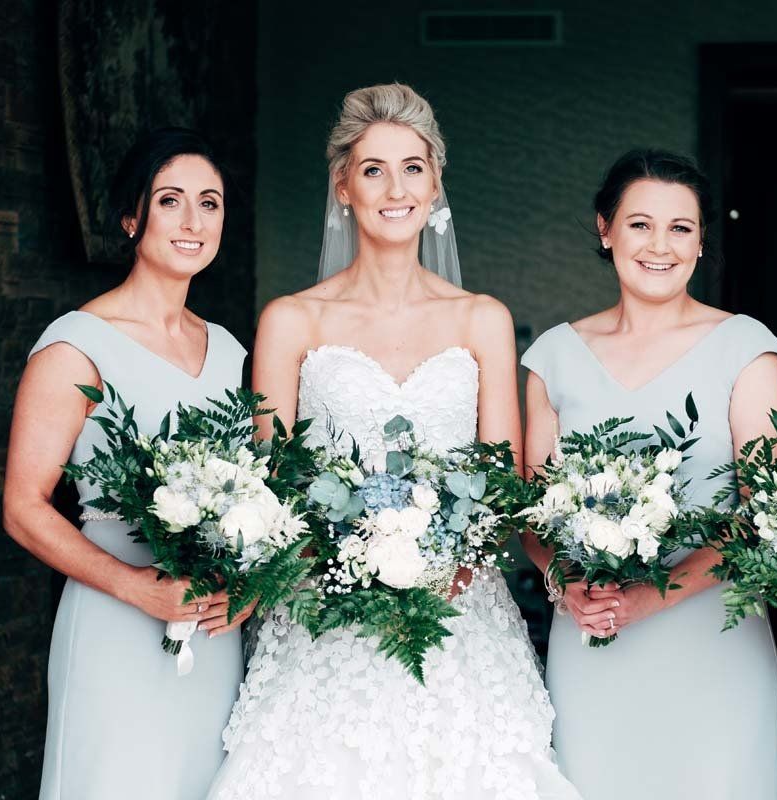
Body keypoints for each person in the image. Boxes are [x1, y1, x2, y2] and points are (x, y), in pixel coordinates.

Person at [206, 83, 580, 800]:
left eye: (413, 167)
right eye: (373, 169)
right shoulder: (292, 321)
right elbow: (268, 482)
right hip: (323, 613)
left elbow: (502, 482)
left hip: (458, 612)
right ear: (342, 185)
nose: (394, 188)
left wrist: (452, 566)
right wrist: (344, 560)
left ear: (436, 182)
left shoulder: (482, 320)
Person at [521, 149, 777, 798]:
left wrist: (653, 595)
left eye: (681, 228)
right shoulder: (554, 358)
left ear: (702, 243)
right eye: (640, 224)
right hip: (593, 640)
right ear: (605, 230)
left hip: (714, 648)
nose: (660, 246)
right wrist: (564, 580)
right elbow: (529, 511)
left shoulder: (745, 350)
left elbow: (763, 518)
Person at [3, 128, 249, 799]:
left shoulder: (229, 351)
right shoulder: (76, 346)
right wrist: (137, 586)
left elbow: (258, 497)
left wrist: (248, 589)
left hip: (210, 631)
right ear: (131, 217)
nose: (194, 221)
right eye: (170, 201)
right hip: (116, 621)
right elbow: (24, 509)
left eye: (210, 202)